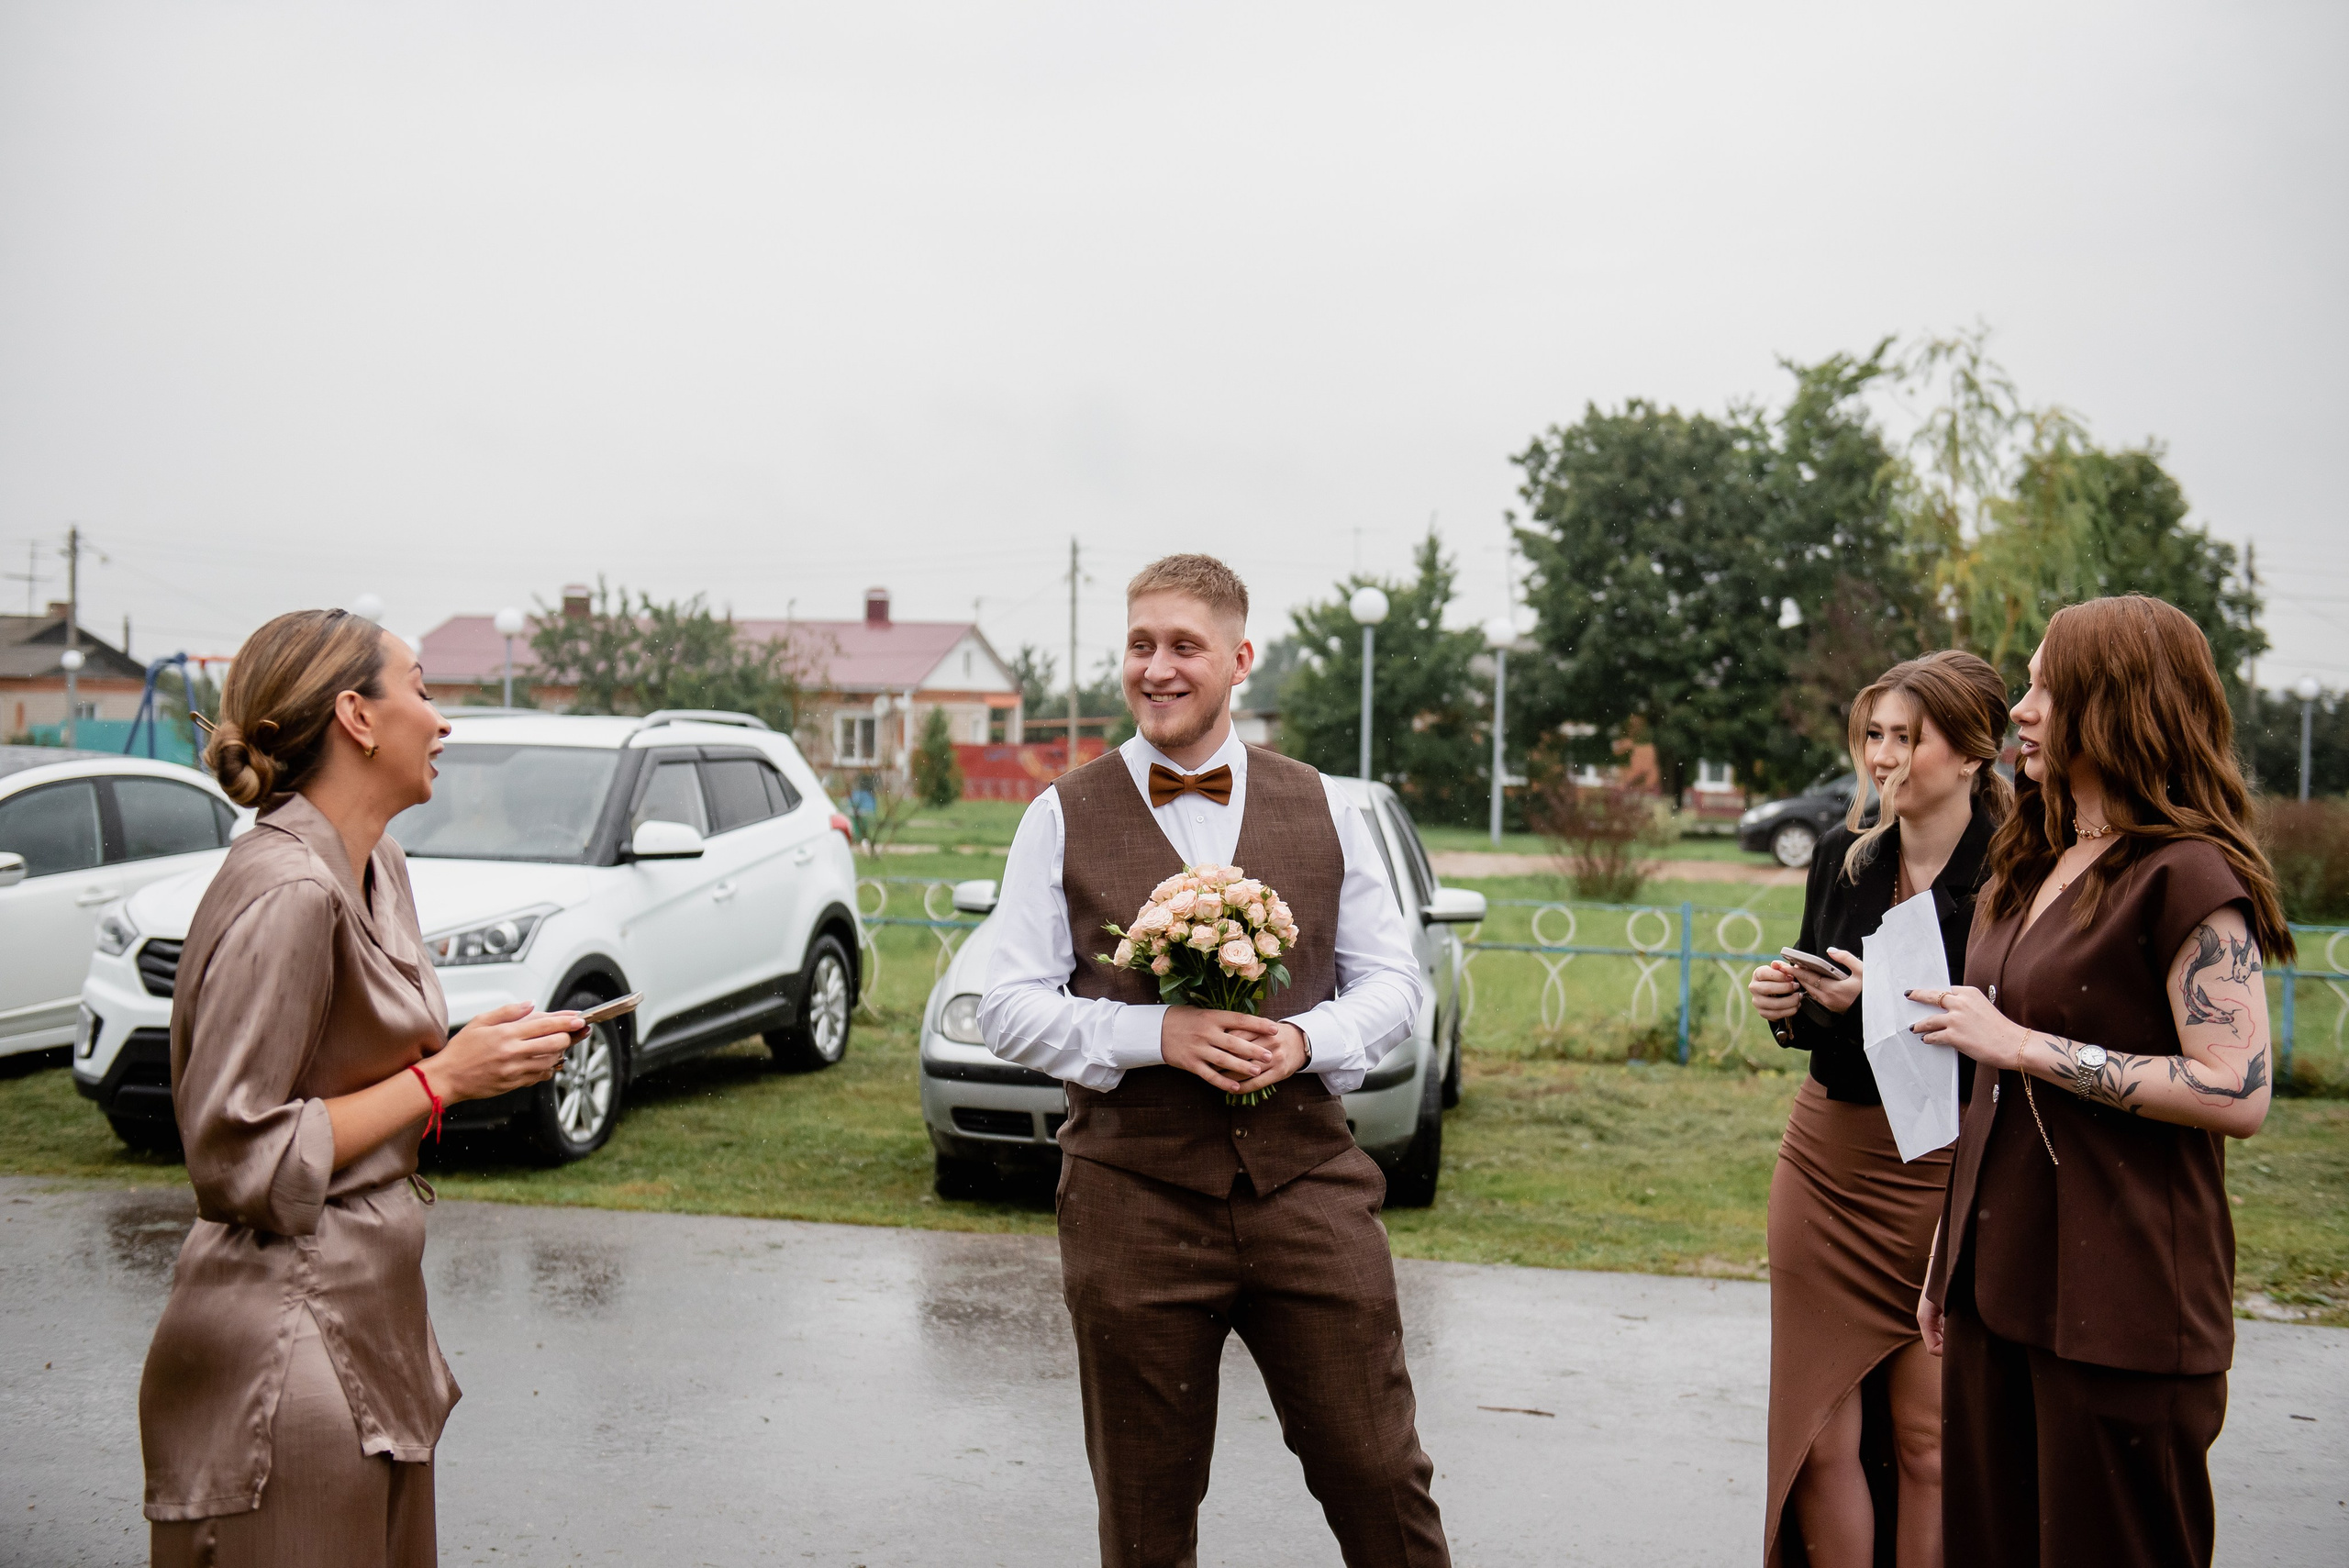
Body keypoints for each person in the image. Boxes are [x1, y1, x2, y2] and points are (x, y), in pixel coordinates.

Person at [979, 554, 1450, 1568]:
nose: (1156, 667)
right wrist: (1157, 1035)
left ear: (1238, 658)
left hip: (1307, 1187)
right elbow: (1006, 1007)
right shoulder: (1061, 812)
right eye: (1140, 643)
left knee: (1378, 1476)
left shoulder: (1324, 804)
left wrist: (1304, 1038)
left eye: (1182, 644)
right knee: (1145, 1514)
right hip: (1131, 1199)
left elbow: (1395, 985)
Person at [140, 610, 587, 1568]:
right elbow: (234, 1151)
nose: (444, 719)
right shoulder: (287, 888)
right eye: (421, 689)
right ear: (356, 714)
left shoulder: (376, 863)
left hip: (371, 1318)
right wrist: (445, 1077)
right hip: (285, 1351)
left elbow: (351, 1061)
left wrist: (478, 1054)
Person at [1911, 595, 2290, 1568]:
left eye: (2045, 684)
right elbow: (1989, 1084)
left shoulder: (2186, 873)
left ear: (2113, 702)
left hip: (2121, 1304)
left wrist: (2023, 1043)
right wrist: (1947, 1248)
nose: (2022, 708)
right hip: (1999, 1287)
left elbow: (2235, 1085)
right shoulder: (2028, 857)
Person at [1748, 650, 2011, 1568]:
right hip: (1828, 1159)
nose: (1884, 756)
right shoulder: (1845, 858)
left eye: (1909, 737)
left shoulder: (2015, 875)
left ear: (1973, 752)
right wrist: (1792, 1005)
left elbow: (2009, 1033)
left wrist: (1882, 1000)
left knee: (1926, 1439)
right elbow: (1830, 1028)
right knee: (1819, 1431)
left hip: (1942, 1167)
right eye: (1874, 735)